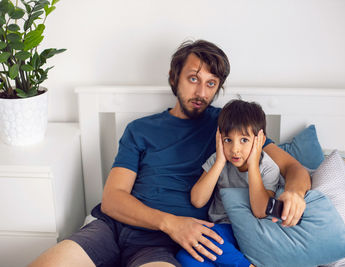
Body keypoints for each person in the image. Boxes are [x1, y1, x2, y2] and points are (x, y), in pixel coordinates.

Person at [29, 40, 310, 267]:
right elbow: (113, 200)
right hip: (112, 229)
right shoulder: (139, 130)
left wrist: (295, 193)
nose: (201, 91)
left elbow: (293, 169)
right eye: (193, 79)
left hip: (161, 247)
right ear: (174, 77)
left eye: (211, 83)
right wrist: (171, 223)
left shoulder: (229, 131)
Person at [176, 99, 281, 267]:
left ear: (260, 140)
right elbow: (197, 200)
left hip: (251, 232)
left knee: (204, 243)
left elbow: (261, 211)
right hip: (223, 229)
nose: (235, 149)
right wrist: (219, 163)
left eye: (244, 140)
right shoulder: (218, 160)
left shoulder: (268, 168)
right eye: (228, 140)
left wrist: (253, 164)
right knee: (186, 257)